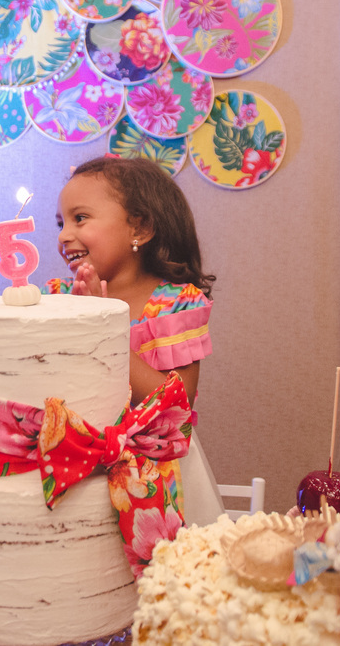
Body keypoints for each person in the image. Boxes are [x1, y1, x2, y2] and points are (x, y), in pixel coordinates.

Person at [47, 155, 224, 526]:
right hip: (74, 467)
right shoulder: (56, 297)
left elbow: (177, 403)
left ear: (139, 228)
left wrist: (102, 330)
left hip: (159, 473)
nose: (63, 235)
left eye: (80, 218)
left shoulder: (176, 304)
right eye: (61, 223)